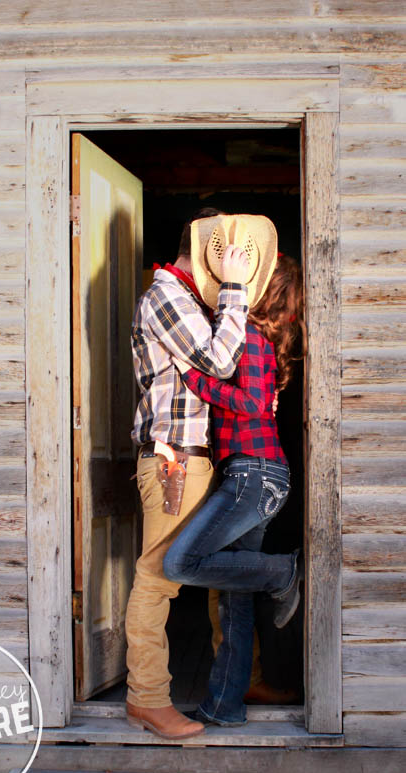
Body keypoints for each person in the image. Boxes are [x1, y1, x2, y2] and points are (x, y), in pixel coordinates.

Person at [125, 210, 278, 740]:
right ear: (208, 254)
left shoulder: (192, 301)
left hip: (200, 457)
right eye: (230, 257)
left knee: (221, 571)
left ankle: (244, 681)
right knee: (159, 577)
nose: (236, 267)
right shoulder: (165, 295)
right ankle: (146, 698)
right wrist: (235, 289)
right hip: (176, 461)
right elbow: (218, 362)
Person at [163, 250, 305, 728]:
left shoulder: (252, 337)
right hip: (253, 474)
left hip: (256, 474)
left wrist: (196, 380)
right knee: (232, 598)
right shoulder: (251, 336)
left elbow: (248, 400)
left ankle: (283, 573)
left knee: (181, 562)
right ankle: (224, 704)